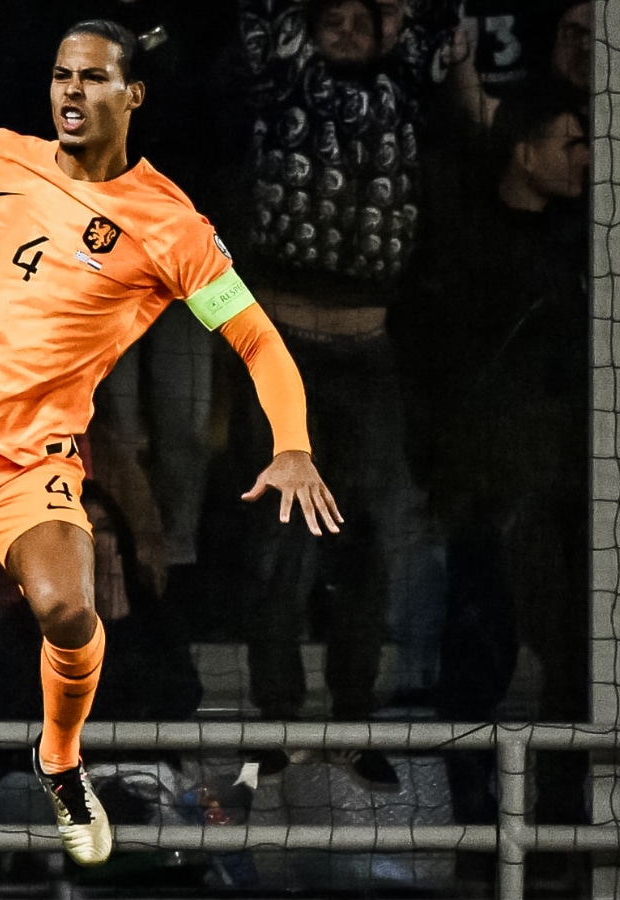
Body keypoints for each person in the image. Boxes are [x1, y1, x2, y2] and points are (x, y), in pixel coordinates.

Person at [0, 18, 342, 868]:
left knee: (66, 606)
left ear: (133, 95)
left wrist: (291, 442)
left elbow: (259, 341)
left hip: (30, 462)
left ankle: (61, 760)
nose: (71, 91)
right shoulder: (4, 155)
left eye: (93, 78)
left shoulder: (171, 227)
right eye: (61, 75)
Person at [227, 0, 457, 789]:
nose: (347, 24)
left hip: (369, 345)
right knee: (276, 550)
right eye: (333, 12)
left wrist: (400, 21)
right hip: (284, 342)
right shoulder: (286, 76)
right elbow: (262, 19)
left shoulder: (403, 87)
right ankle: (278, 725)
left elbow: (433, 26)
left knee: (365, 548)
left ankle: (355, 722)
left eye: (365, 13)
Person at [390, 79, 590, 838]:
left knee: (573, 670)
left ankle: (563, 826)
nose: (587, 160)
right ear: (525, 146)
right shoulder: (463, 242)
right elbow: (431, 365)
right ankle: (475, 826)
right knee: (478, 663)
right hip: (486, 488)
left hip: (569, 490)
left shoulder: (584, 242)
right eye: (572, 143)